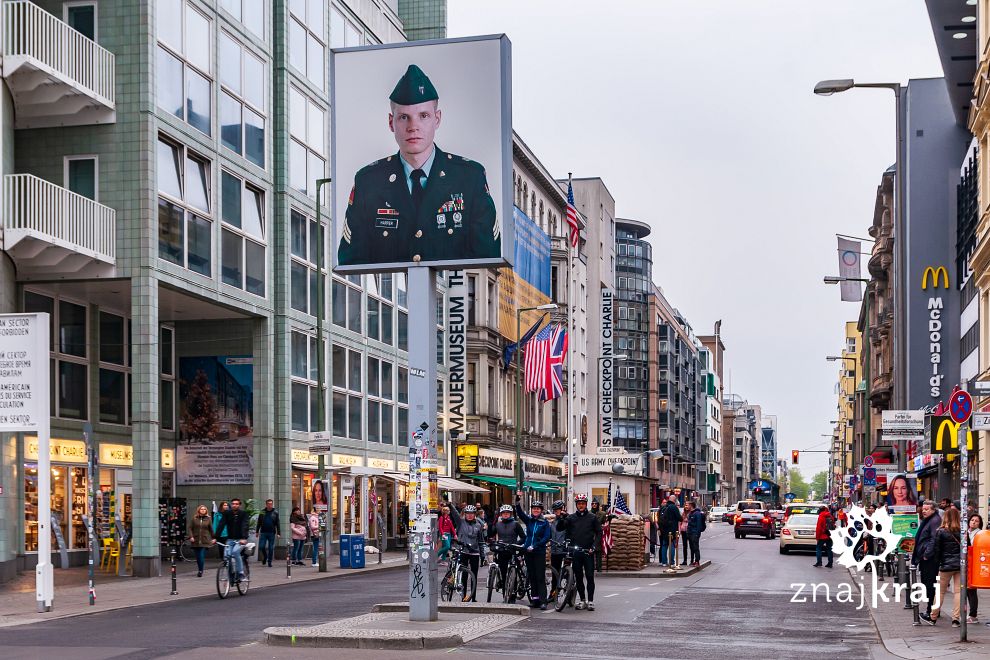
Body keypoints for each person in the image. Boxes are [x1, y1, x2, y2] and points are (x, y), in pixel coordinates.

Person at [337, 64, 499, 266]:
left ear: (437, 119)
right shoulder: (369, 182)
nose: (413, 127)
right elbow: (351, 264)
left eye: (423, 116)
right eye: (404, 117)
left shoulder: (469, 178)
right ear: (391, 122)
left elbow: (488, 262)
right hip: (393, 297)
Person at [556, 493, 602, 611]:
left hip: (588, 552)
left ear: (586, 504)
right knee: (578, 577)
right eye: (579, 504)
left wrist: (594, 546)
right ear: (576, 505)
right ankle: (582, 600)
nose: (581, 506)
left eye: (583, 503)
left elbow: (599, 533)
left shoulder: (592, 517)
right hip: (576, 552)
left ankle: (590, 601)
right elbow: (560, 528)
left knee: (590, 576)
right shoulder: (571, 518)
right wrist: (562, 517)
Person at [921, 507, 963, 627]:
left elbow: (937, 550)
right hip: (960, 565)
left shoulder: (941, 531)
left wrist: (939, 563)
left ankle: (933, 617)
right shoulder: (962, 531)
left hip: (945, 566)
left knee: (940, 592)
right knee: (958, 592)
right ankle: (955, 619)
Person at [514, 493, 552, 610]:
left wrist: (535, 545)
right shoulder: (529, 520)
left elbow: (547, 537)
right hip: (528, 552)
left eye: (538, 509)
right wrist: (517, 501)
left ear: (541, 511)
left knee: (540, 576)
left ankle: (543, 601)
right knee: (532, 576)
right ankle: (535, 600)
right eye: (534, 509)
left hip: (539, 552)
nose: (535, 510)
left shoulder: (544, 523)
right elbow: (520, 513)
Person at [446, 502, 487, 602]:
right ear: (465, 514)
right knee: (464, 575)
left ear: (474, 514)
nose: (469, 515)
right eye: (467, 513)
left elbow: (481, 541)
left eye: (471, 513)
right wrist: (450, 505)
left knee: (474, 575)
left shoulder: (478, 525)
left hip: (475, 552)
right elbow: (455, 514)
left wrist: (483, 555)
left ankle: (473, 597)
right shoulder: (461, 522)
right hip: (463, 551)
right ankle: (463, 596)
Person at [913, 500, 942, 620]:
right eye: (923, 509)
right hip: (927, 557)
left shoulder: (934, 521)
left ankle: (931, 610)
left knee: (930, 585)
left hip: (930, 559)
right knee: (928, 584)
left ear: (933, 510)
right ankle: (933, 610)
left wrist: (926, 554)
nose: (924, 511)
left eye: (927, 509)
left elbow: (933, 539)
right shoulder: (930, 520)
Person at [492, 504, 526, 593]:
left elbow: (523, 537)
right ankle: (504, 593)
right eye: (504, 513)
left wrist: (516, 544)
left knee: (513, 571)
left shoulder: (516, 524)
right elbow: (490, 535)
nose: (506, 514)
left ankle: (513, 593)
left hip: (512, 551)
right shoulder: (498, 525)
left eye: (507, 513)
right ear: (501, 514)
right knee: (503, 573)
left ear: (511, 514)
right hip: (502, 551)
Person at [216, 497, 249, 581]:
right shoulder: (227, 513)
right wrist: (215, 537)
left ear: (239, 505)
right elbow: (221, 525)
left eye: (236, 504)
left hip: (240, 539)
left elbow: (245, 526)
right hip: (230, 539)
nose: (234, 505)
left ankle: (241, 573)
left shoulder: (243, 514)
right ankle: (231, 573)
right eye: (233, 504)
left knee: (235, 552)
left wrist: (244, 538)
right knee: (227, 556)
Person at [548, 501, 569, 595]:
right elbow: (549, 535)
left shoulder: (568, 520)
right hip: (554, 551)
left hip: (564, 550)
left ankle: (569, 591)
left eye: (559, 509)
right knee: (554, 574)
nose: (557, 511)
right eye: (555, 510)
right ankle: (553, 592)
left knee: (566, 573)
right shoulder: (552, 523)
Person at [967, 513, 984, 624]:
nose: (973, 522)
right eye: (972, 520)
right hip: (966, 563)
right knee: (966, 590)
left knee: (971, 590)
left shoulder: (979, 534)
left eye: (976, 521)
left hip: (973, 564)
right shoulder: (967, 532)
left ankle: (973, 615)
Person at [188, 504, 213, 577]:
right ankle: (200, 568)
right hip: (195, 540)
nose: (203, 510)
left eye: (204, 509)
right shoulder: (194, 518)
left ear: (206, 511)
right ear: (199, 510)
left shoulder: (208, 519)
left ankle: (200, 571)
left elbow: (211, 529)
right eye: (201, 509)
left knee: (201, 556)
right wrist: (191, 536)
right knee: (198, 557)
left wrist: (213, 537)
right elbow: (190, 528)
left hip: (205, 540)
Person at [256, 499, 281, 567]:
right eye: (268, 504)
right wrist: (257, 531)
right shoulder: (262, 512)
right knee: (261, 546)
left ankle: (269, 561)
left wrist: (279, 533)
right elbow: (259, 522)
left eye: (271, 504)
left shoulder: (275, 512)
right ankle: (265, 557)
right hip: (263, 532)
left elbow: (277, 523)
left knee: (270, 548)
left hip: (271, 533)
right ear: (266, 504)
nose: (270, 505)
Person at [659, 496, 681, 567]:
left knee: (664, 545)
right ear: (674, 500)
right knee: (672, 545)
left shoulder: (663, 507)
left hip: (664, 530)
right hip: (672, 529)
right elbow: (679, 518)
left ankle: (664, 562)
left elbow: (659, 519)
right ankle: (671, 562)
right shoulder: (674, 507)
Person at [686, 501, 706, 566]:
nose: (686, 506)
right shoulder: (690, 513)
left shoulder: (697, 513)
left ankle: (697, 561)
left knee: (695, 547)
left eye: (688, 505)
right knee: (692, 547)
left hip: (695, 533)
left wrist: (697, 533)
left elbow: (698, 524)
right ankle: (693, 561)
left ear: (691, 505)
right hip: (690, 532)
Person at [590, 500, 607, 571]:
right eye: (593, 504)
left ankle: (599, 567)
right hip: (590, 533)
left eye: (595, 504)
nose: (594, 505)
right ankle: (591, 566)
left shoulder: (602, 513)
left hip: (598, 533)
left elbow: (603, 522)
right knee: (590, 551)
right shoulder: (588, 513)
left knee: (598, 551)